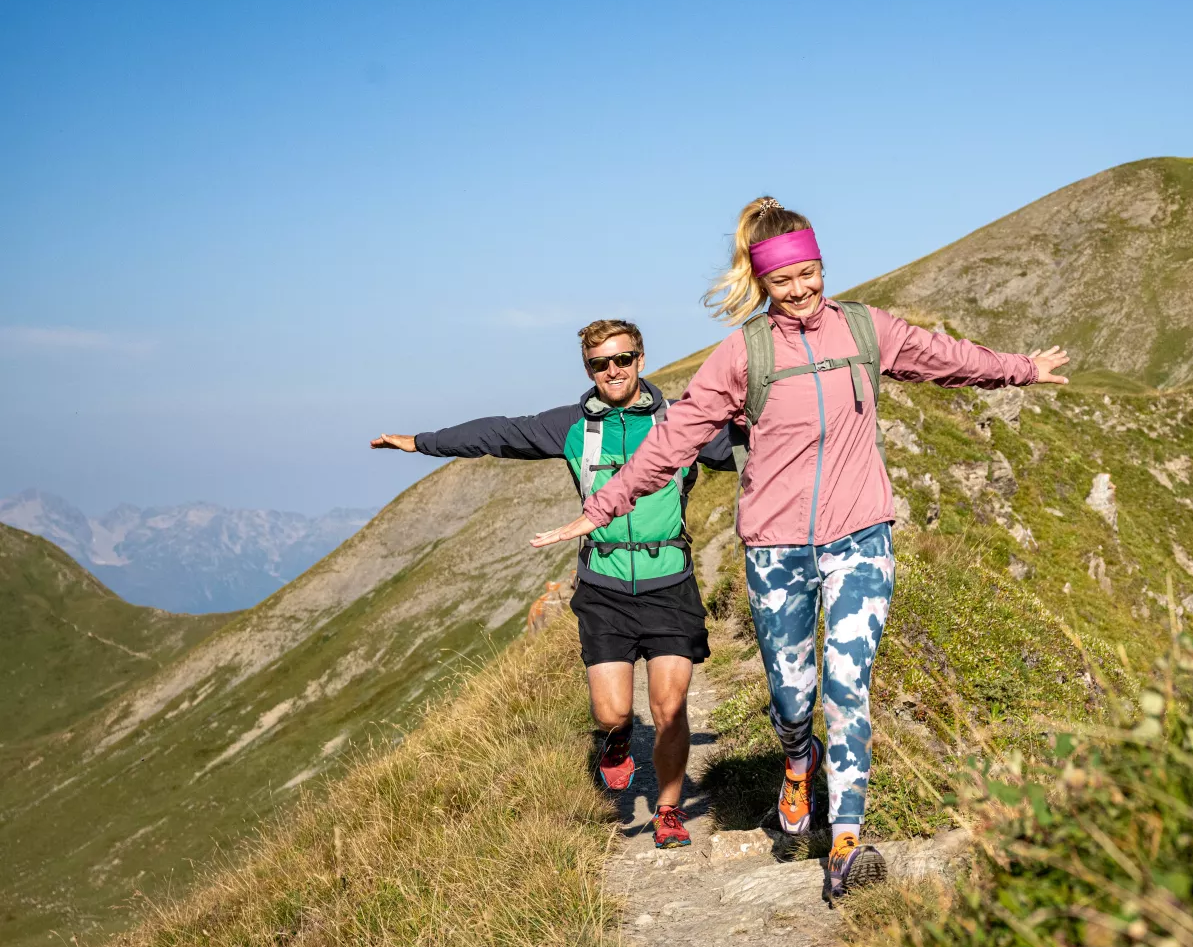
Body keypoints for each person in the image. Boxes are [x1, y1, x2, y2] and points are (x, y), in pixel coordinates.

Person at [531, 198, 1070, 897]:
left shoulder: (866, 330)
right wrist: (600, 509)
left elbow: (946, 358)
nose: (800, 289)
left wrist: (1021, 368)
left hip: (860, 537)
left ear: (823, 267)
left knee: (848, 688)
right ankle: (796, 759)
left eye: (809, 273)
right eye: (784, 281)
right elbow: (672, 441)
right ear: (762, 282)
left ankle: (846, 842)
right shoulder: (744, 354)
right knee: (793, 699)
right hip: (777, 550)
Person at [372, 319, 732, 850]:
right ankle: (615, 743)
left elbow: (746, 441)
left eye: (623, 359)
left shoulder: (680, 418)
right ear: (587, 368)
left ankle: (669, 810)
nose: (613, 370)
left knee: (670, 707)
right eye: (599, 364)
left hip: (669, 582)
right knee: (611, 712)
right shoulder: (571, 425)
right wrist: (421, 442)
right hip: (604, 585)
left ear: (641, 359)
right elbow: (498, 433)